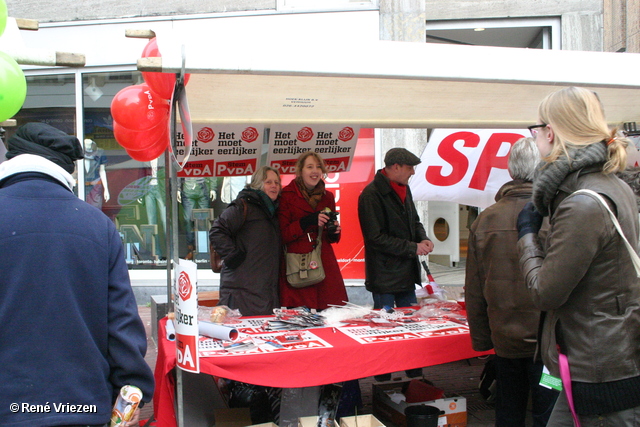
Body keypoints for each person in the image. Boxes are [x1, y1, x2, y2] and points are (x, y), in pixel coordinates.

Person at [0, 122, 154, 427]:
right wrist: (132, 388)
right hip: (81, 404)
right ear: (66, 170)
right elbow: (121, 321)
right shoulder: (97, 226)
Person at [517, 87, 640, 425]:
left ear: (550, 132)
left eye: (535, 127)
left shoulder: (583, 202)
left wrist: (527, 236)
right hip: (600, 354)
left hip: (598, 369)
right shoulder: (611, 185)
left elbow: (545, 292)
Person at [465, 137, 558, 427]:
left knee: (509, 408)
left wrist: (481, 339)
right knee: (550, 408)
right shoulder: (557, 215)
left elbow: (474, 289)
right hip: (548, 343)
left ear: (510, 171)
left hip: (505, 340)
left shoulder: (485, 221)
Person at [358, 147, 434, 380]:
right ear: (395, 167)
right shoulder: (370, 195)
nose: (412, 172)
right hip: (384, 276)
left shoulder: (404, 189)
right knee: (385, 329)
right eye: (410, 167)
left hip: (405, 273)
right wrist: (412, 247)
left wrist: (423, 237)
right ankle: (383, 379)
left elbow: (415, 220)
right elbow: (375, 238)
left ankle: (415, 376)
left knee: (411, 327)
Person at [278, 151, 348, 310]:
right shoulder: (286, 196)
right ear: (300, 170)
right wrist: (307, 221)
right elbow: (283, 235)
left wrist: (333, 231)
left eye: (318, 167)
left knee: (330, 313)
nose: (315, 171)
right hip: (298, 264)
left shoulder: (328, 196)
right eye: (309, 167)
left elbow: (329, 237)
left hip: (323, 262)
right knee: (300, 317)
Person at [209, 166, 282, 316]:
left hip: (264, 291)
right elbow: (217, 230)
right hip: (240, 291)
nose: (274, 186)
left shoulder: (273, 211)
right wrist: (232, 255)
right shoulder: (243, 206)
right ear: (257, 184)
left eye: (277, 182)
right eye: (268, 182)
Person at [179, 176, 217, 259]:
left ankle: (203, 250)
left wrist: (213, 188)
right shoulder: (184, 162)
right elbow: (178, 171)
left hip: (203, 187)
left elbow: (211, 168)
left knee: (203, 221)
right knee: (188, 219)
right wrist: (177, 189)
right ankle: (191, 249)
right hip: (188, 189)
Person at [83, 138, 110, 209]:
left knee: (96, 208)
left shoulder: (100, 152)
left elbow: (102, 171)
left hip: (95, 185)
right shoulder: (77, 151)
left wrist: (106, 189)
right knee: (80, 208)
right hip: (79, 185)